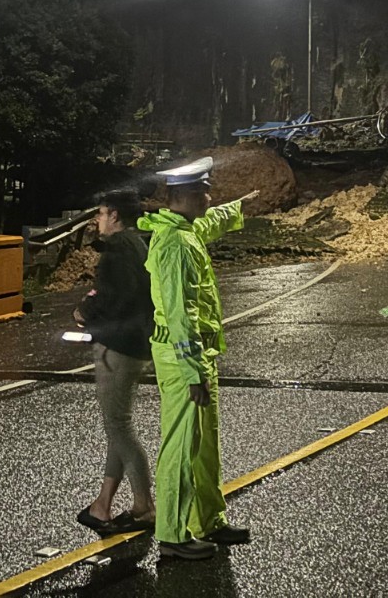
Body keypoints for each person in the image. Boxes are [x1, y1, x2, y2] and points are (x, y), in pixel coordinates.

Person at [140, 157, 255, 561]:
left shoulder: (183, 229)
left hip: (197, 355)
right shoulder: (174, 244)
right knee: (181, 445)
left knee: (205, 446)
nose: (208, 197)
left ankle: (207, 521)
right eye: (201, 192)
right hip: (181, 358)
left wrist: (237, 207)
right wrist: (193, 372)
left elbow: (205, 225)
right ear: (178, 197)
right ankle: (173, 534)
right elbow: (179, 313)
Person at [73, 187, 157, 534]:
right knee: (116, 427)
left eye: (102, 212)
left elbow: (114, 298)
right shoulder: (138, 245)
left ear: (116, 217)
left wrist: (84, 312)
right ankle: (102, 505)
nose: (97, 219)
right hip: (134, 344)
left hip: (118, 347)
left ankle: (144, 505)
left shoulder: (118, 250)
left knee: (119, 425)